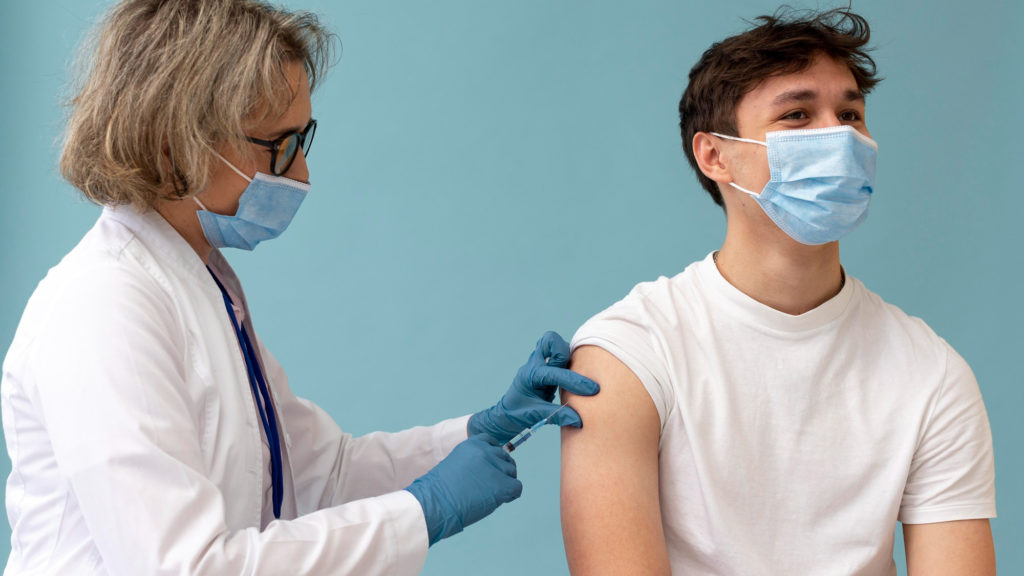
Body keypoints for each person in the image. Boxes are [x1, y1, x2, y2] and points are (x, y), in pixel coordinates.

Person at [0, 1, 599, 574]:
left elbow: (317, 475)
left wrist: (479, 431)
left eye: (302, 140)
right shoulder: (102, 309)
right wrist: (423, 510)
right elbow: (186, 567)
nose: (302, 174)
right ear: (172, 142)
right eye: (278, 146)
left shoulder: (200, 285)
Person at [560, 8, 996, 576]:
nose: (837, 136)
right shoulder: (630, 355)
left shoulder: (932, 374)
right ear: (714, 155)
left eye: (850, 113)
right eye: (797, 114)